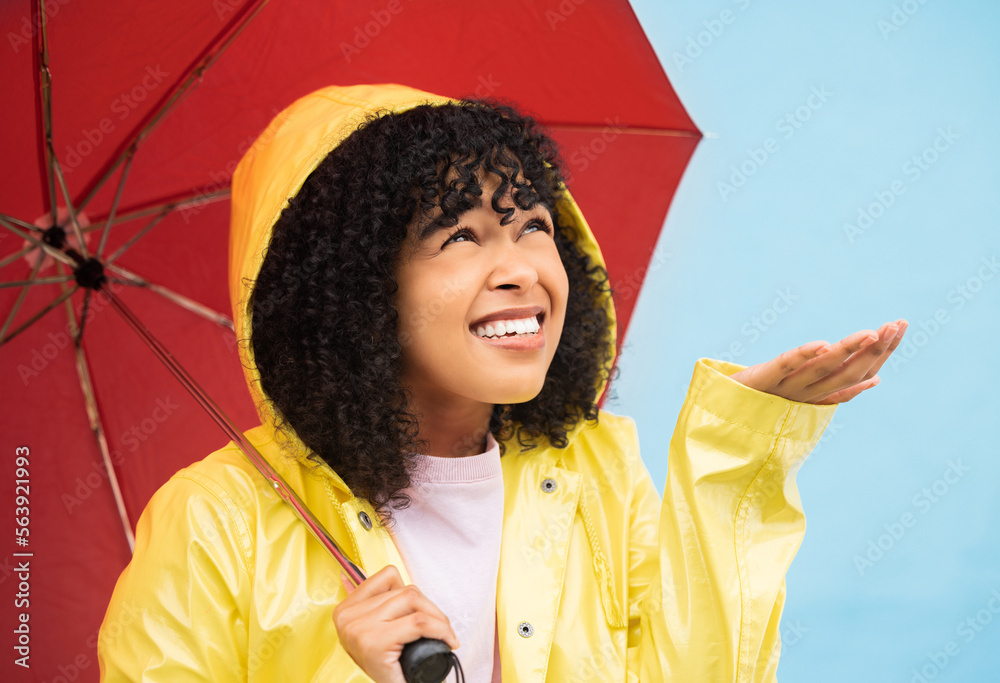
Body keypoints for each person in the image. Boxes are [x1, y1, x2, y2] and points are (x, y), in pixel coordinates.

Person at [97, 83, 906, 682]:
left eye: (533, 226)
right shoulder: (213, 523)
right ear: (355, 289)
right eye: (460, 235)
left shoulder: (595, 471)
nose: (521, 268)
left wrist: (734, 456)